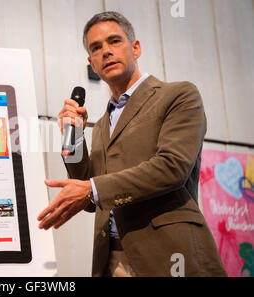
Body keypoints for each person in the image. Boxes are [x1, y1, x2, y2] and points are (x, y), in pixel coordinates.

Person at [37, 11, 227, 277]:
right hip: (111, 257)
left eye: (114, 41)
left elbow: (171, 167)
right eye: (96, 48)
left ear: (135, 48)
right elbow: (90, 196)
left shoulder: (178, 95)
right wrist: (73, 136)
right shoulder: (103, 124)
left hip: (169, 254)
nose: (105, 51)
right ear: (91, 63)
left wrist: (91, 189)